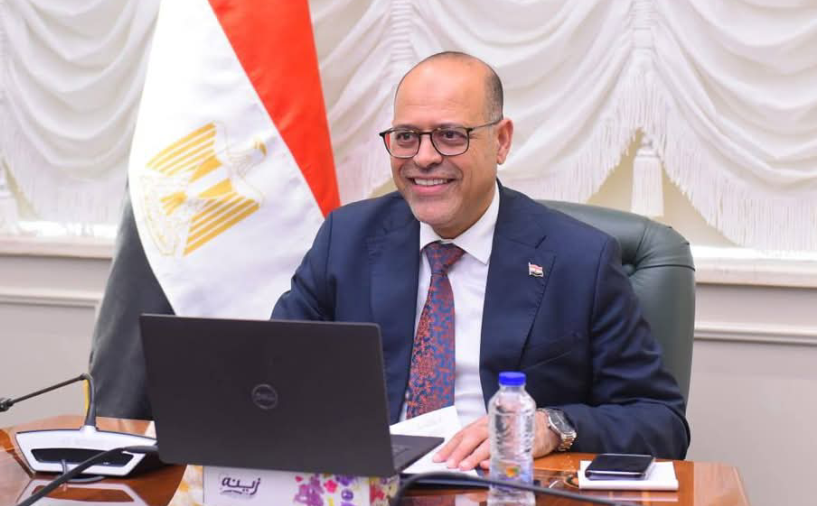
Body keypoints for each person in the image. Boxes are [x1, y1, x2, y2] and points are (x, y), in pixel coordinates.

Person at [272, 51, 690, 470]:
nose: (423, 157)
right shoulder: (346, 239)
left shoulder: (580, 259)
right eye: (406, 136)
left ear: (501, 141)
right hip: (368, 484)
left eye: (451, 135)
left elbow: (659, 421)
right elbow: (274, 378)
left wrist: (550, 426)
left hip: (502, 485)